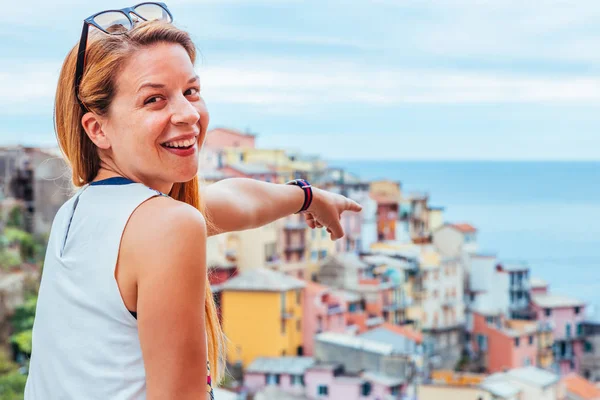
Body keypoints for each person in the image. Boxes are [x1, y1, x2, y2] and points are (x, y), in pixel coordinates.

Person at [23, 3, 362, 400]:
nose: (188, 114)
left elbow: (232, 200)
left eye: (191, 91)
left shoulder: (78, 214)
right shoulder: (166, 225)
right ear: (98, 128)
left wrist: (306, 196)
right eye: (154, 100)